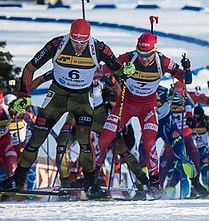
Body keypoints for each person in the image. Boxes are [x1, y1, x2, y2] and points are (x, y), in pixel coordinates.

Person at [0, 20, 132, 197]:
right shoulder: (57, 44)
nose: (78, 46)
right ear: (70, 35)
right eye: (75, 41)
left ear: (88, 39)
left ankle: (91, 183)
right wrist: (23, 94)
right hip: (57, 95)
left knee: (85, 141)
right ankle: (18, 178)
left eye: (82, 42)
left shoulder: (98, 48)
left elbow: (117, 70)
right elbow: (30, 67)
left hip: (82, 98)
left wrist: (126, 71)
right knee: (36, 139)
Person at [95, 33, 192, 198]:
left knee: (149, 143)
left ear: (155, 50)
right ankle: (93, 178)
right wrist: (115, 74)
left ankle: (154, 184)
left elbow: (186, 80)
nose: (144, 59)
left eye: (147, 55)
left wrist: (187, 68)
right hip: (125, 104)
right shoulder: (129, 57)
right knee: (104, 139)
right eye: (140, 54)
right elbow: (102, 71)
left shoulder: (164, 62)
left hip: (147, 107)